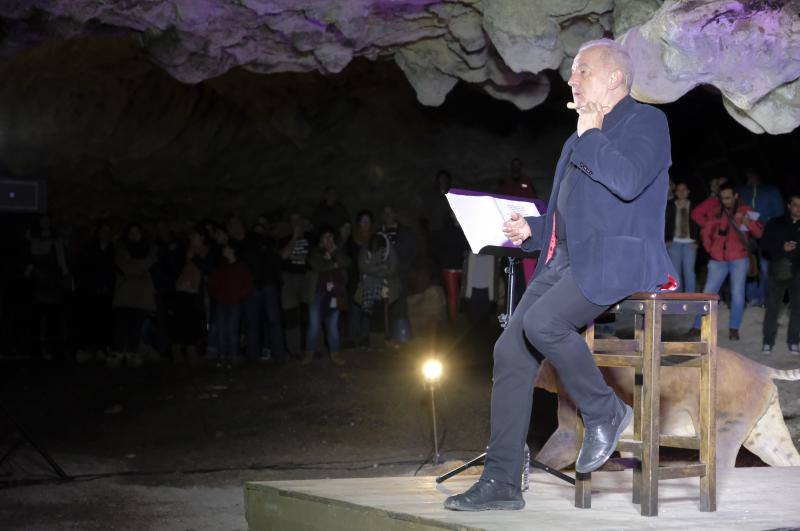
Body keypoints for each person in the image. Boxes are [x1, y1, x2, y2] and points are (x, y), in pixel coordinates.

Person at [444, 39, 676, 511]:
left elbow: (629, 183)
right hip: (567, 258)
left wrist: (592, 134)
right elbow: (570, 212)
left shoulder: (646, 122)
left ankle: (606, 411)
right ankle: (503, 482)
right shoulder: (578, 136)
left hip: (620, 260)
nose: (572, 80)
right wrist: (530, 228)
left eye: (582, 70)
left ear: (614, 77)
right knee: (509, 350)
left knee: (541, 323)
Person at [688, 182, 764, 340]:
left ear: (736, 196)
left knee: (737, 294)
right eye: (722, 198)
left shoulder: (746, 211)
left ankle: (734, 328)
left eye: (728, 198)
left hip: (739, 259)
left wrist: (749, 224)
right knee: (707, 293)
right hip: (717, 260)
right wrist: (710, 249)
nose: (725, 201)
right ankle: (697, 326)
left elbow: (759, 233)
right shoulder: (715, 210)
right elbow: (705, 231)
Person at [302, 226, 351, 366]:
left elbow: (347, 262)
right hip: (317, 293)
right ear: (320, 239)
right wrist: (334, 263)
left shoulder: (338, 251)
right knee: (314, 324)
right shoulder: (315, 253)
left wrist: (334, 252)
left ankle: (335, 354)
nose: (329, 239)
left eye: (331, 236)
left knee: (333, 325)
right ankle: (309, 354)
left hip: (335, 293)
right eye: (325, 237)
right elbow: (318, 266)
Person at [759, 194, 800, 354]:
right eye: (795, 205)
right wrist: (781, 248)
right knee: (773, 307)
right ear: (789, 206)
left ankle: (793, 341)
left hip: (798, 271)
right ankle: (768, 341)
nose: (798, 209)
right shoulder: (775, 223)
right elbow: (764, 244)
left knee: (797, 308)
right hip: (777, 270)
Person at [738, 168, 785, 306]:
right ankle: (753, 298)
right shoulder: (741, 191)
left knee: (766, 267)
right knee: (750, 266)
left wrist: (764, 219)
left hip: (767, 233)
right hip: (747, 234)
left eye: (752, 174)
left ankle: (767, 298)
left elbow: (780, 213)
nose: (750, 177)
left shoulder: (771, 190)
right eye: (748, 175)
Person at [208, 243, 254, 367]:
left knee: (232, 330)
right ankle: (223, 356)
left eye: (226, 248)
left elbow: (248, 284)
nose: (224, 250)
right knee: (222, 330)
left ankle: (233, 356)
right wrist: (218, 296)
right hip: (222, 303)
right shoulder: (221, 267)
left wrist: (238, 296)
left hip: (235, 303)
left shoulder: (241, 266)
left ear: (232, 250)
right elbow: (212, 284)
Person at [665, 181, 699, 293]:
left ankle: (691, 299)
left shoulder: (695, 206)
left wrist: (697, 241)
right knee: (675, 273)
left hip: (690, 243)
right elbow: (664, 223)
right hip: (674, 243)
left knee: (689, 272)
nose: (681, 192)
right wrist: (667, 239)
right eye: (679, 190)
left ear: (688, 192)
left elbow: (700, 225)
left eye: (684, 189)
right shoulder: (670, 206)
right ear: (676, 192)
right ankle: (677, 299)